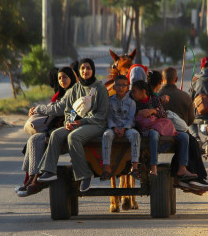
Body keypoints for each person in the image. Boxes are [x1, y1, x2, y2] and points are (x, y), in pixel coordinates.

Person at [37, 58, 109, 193]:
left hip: (96, 124)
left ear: (92, 70)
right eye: (82, 68)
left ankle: (85, 175)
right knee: (56, 134)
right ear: (79, 71)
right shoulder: (76, 88)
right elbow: (69, 110)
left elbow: (102, 115)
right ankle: (49, 170)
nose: (85, 71)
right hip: (76, 124)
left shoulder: (100, 88)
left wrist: (81, 122)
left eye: (88, 68)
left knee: (73, 137)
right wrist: (68, 123)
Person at [130, 80, 207, 190]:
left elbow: (163, 114)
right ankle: (153, 167)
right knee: (153, 134)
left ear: (143, 91)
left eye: (134, 92)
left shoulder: (155, 100)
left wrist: (152, 111)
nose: (132, 94)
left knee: (184, 136)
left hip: (162, 128)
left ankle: (182, 168)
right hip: (147, 131)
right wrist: (139, 113)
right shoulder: (133, 102)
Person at [17, 66, 77, 197]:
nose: (62, 80)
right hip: (63, 126)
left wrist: (38, 109)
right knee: (33, 139)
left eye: (65, 77)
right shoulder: (64, 92)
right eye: (60, 78)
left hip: (73, 127)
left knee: (37, 139)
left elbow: (59, 109)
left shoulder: (73, 91)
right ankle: (32, 178)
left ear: (71, 78)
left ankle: (36, 179)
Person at [100, 75, 141, 181]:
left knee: (135, 135)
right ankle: (106, 167)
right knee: (106, 135)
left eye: (124, 85)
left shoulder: (131, 102)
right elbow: (108, 117)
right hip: (113, 128)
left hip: (127, 129)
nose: (121, 88)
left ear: (127, 88)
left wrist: (125, 129)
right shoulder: (109, 101)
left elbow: (131, 119)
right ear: (114, 87)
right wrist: (114, 127)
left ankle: (135, 166)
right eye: (118, 85)